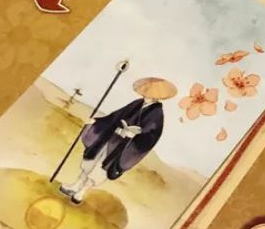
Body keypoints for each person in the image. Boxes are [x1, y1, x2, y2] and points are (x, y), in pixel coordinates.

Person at [59, 76, 177, 204]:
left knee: (101, 168)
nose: (147, 95)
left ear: (157, 96)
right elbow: (115, 116)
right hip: (110, 139)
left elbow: (151, 136)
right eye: (146, 91)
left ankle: (81, 192)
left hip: (123, 147)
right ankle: (76, 185)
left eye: (151, 93)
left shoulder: (157, 114)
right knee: (91, 161)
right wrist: (97, 121)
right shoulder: (136, 104)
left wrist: (134, 135)